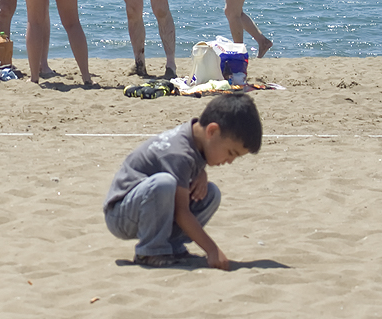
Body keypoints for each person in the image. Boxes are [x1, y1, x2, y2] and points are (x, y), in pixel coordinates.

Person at [103, 93, 262, 269]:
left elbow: (193, 161)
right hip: (121, 214)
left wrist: (201, 172)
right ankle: (149, 251)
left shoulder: (194, 137)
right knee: (164, 184)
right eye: (231, 153)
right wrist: (212, 250)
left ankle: (171, 246)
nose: (230, 161)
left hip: (148, 207)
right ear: (212, 131)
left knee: (210, 194)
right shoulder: (178, 153)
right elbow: (181, 212)